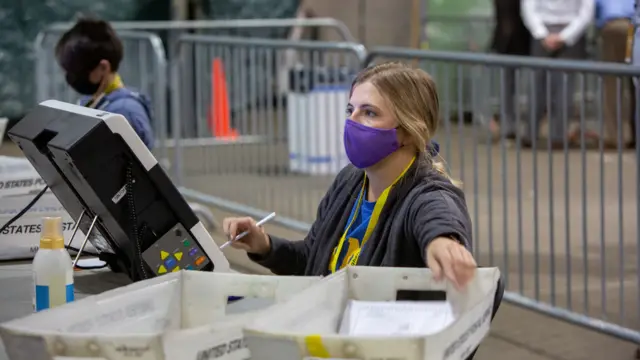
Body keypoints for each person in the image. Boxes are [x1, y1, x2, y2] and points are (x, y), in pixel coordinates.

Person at [223, 62, 477, 289]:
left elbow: (439, 219)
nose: (352, 122)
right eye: (350, 110)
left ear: (409, 131)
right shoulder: (350, 180)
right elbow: (312, 260)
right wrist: (264, 245)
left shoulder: (429, 195)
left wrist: (442, 243)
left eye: (369, 113)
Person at [55, 17, 154, 149]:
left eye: (77, 71)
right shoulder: (93, 100)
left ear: (103, 67)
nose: (72, 78)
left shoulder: (124, 112)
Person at [521, 0, 595, 148]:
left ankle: (538, 134)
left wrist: (542, 34)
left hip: (547, 29)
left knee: (547, 87)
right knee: (554, 86)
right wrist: (564, 36)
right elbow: (586, 11)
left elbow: (528, 7)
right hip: (568, 29)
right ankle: (555, 136)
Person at [488, 0, 532, 140]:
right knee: (507, 87)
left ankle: (526, 129)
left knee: (529, 86)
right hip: (508, 44)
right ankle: (508, 127)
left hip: (524, 42)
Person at [596, 0, 635, 149]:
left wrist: (600, 24)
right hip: (633, 26)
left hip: (612, 25)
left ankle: (615, 137)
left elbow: (596, 7)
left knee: (612, 83)